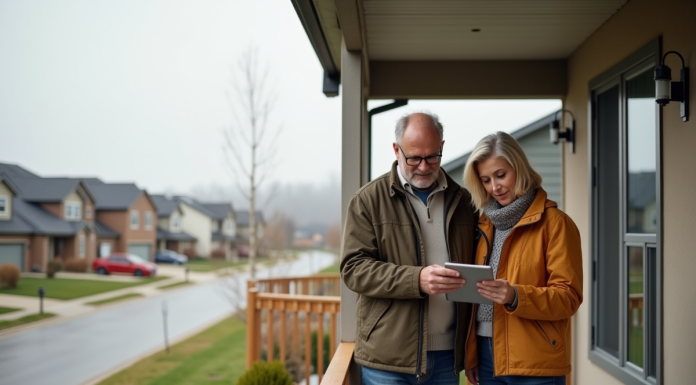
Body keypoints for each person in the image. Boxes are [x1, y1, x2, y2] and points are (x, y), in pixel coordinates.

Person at [341, 112, 478, 384]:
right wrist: (416, 279)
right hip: (388, 359)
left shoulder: (464, 201)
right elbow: (353, 269)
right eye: (414, 157)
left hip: (447, 358)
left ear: (442, 147)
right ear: (396, 150)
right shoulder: (368, 200)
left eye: (432, 157)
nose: (424, 167)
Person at [461, 132, 583, 385]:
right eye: (485, 180)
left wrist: (515, 295)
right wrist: (472, 355)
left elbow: (569, 297)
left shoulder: (556, 224)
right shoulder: (483, 225)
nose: (495, 187)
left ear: (519, 168)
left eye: (501, 175)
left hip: (536, 359)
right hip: (486, 355)